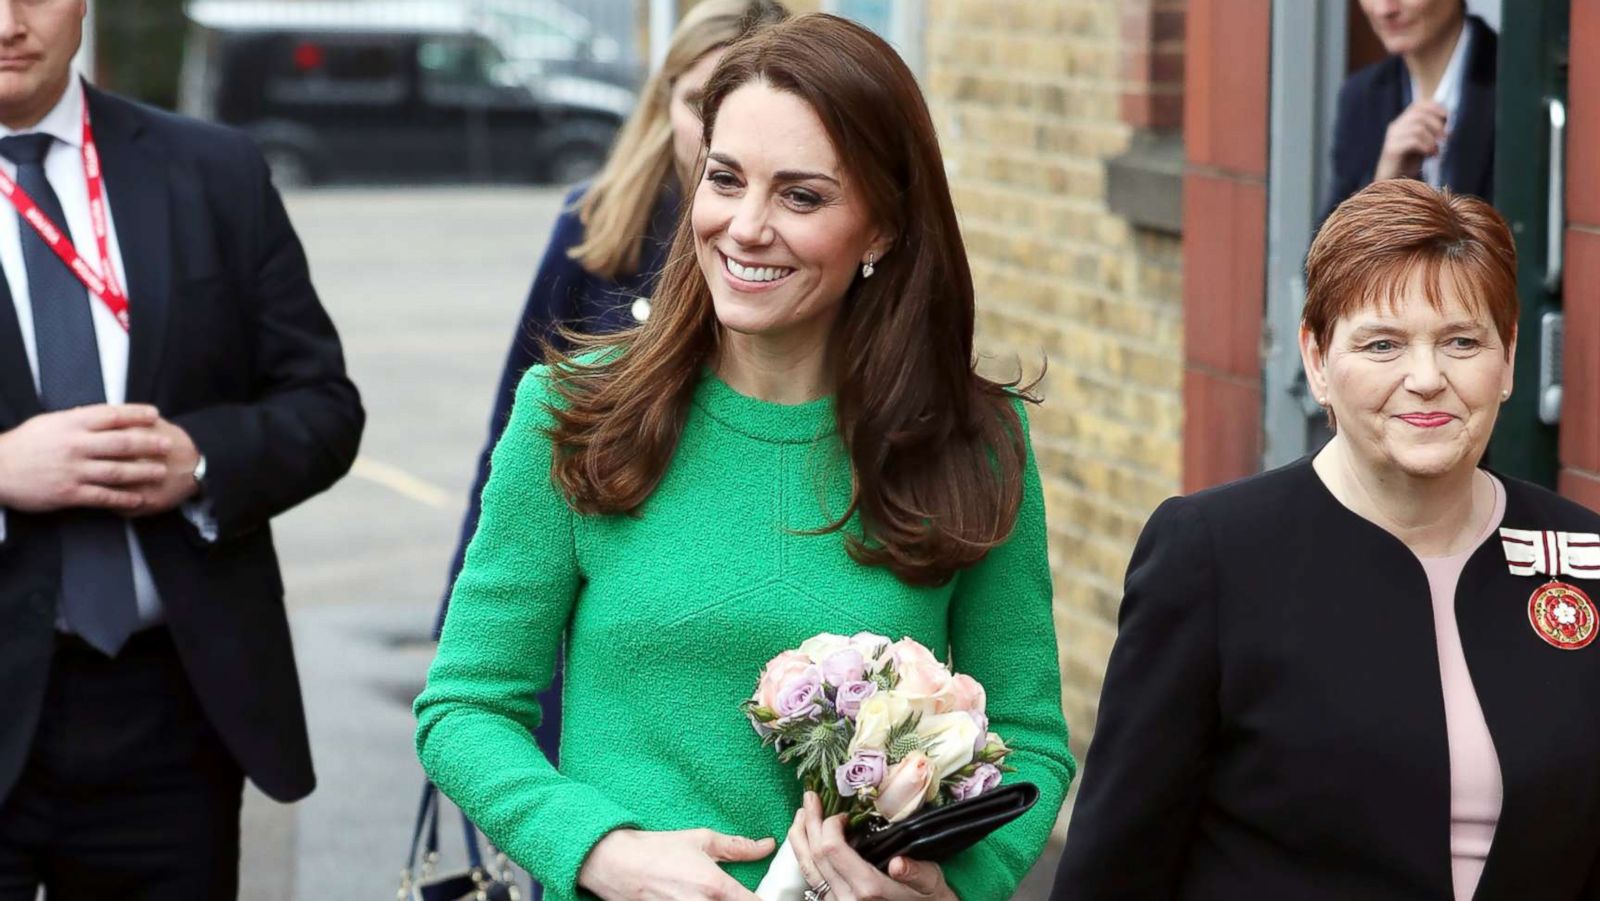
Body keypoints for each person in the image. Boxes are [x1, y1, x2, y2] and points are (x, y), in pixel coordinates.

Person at [416, 14, 1075, 901]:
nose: (745, 226)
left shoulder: (973, 439)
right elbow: (465, 708)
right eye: (725, 179)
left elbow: (1030, 738)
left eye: (802, 196)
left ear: (881, 227)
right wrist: (601, 850)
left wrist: (952, 888)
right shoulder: (576, 411)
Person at [1052, 179, 1600, 900]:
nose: (1427, 378)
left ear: (1508, 358)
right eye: (1383, 343)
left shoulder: (1581, 552)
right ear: (1316, 360)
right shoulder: (1213, 555)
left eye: (1462, 341)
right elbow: (1115, 869)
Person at [0, 1, 363, 897]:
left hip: (173, 716)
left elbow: (324, 405)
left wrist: (201, 460)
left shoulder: (214, 170)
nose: (7, 19)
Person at [434, 1, 788, 770]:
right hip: (593, 614)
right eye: (701, 102)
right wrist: (461, 623)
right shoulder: (597, 226)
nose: (718, 126)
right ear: (664, 103)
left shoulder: (798, 264)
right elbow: (513, 440)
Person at [1322, 0, 1496, 222]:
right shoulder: (1361, 97)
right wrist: (1382, 187)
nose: (1384, 9)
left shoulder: (1517, 87)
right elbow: (1324, 254)